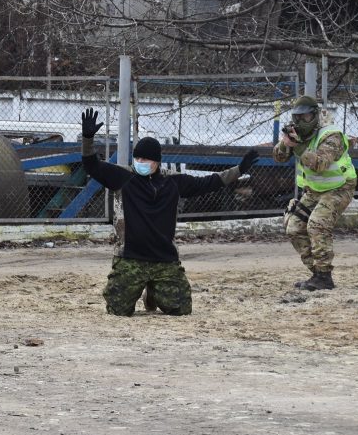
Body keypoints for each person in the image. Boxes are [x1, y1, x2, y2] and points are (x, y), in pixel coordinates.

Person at [80, 108, 258, 316]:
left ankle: (153, 290)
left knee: (181, 309)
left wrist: (239, 170)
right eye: (138, 158)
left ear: (156, 162)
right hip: (130, 257)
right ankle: (144, 285)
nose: (140, 163)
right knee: (117, 309)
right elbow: (92, 165)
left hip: (164, 257)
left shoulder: (173, 182)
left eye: (145, 160)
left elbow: (209, 182)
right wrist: (87, 139)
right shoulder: (123, 177)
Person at [273, 95, 356, 291]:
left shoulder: (331, 135)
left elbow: (319, 164)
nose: (301, 122)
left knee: (317, 225)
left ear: (316, 116)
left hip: (340, 187)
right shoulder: (297, 134)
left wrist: (298, 146)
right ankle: (317, 273)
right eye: (298, 118)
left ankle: (324, 276)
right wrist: (286, 143)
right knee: (293, 227)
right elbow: (278, 157)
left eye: (306, 117)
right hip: (314, 190)